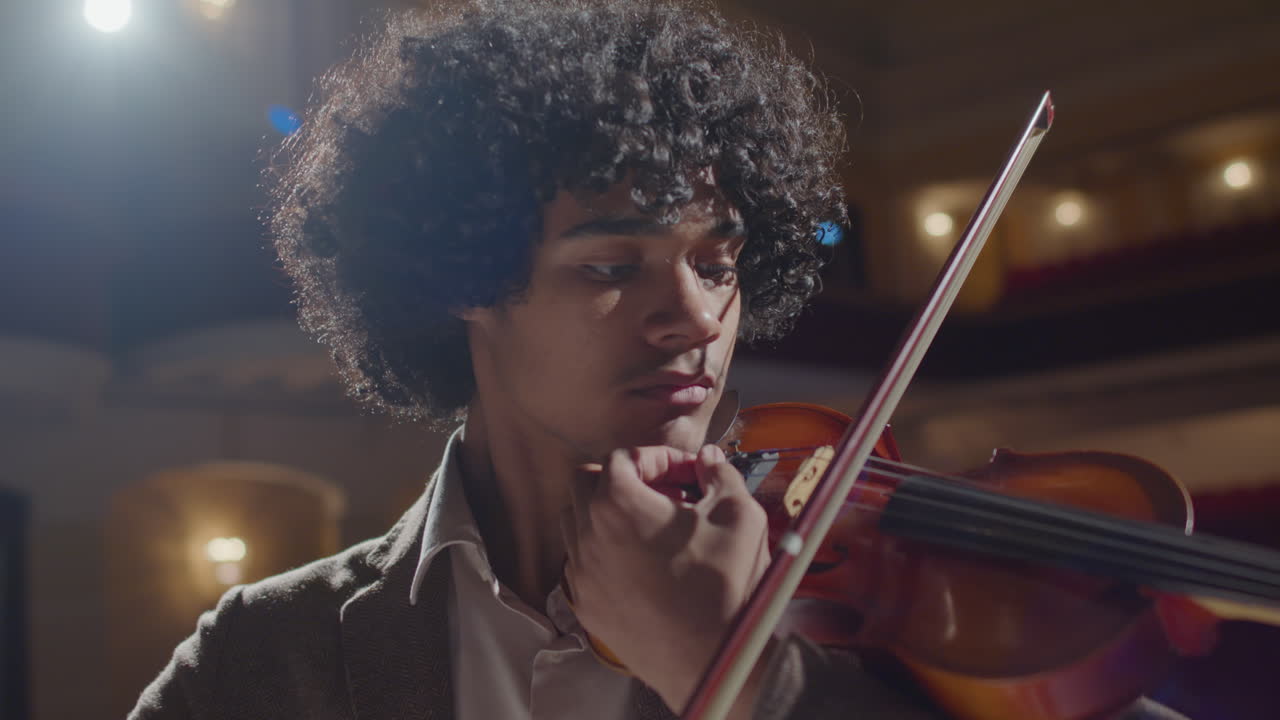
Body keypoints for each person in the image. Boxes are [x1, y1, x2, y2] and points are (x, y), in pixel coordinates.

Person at [129, 1, 1190, 718]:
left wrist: (739, 676)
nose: (692, 321)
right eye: (608, 269)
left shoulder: (865, 624)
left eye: (715, 263)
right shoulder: (266, 657)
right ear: (459, 279)